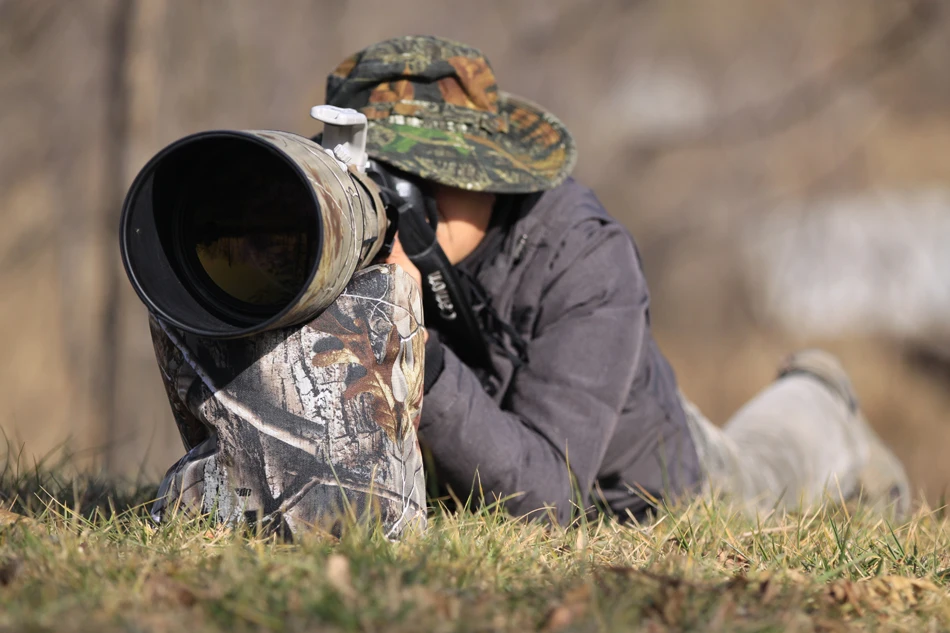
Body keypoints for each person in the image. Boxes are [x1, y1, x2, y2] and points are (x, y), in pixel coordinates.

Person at [149, 35, 910, 536]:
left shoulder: (585, 257)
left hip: (644, 478)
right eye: (378, 178)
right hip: (497, 461)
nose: (402, 202)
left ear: (493, 179)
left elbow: (553, 495)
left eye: (424, 180)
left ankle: (819, 394)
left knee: (772, 462)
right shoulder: (366, 252)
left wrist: (423, 355)